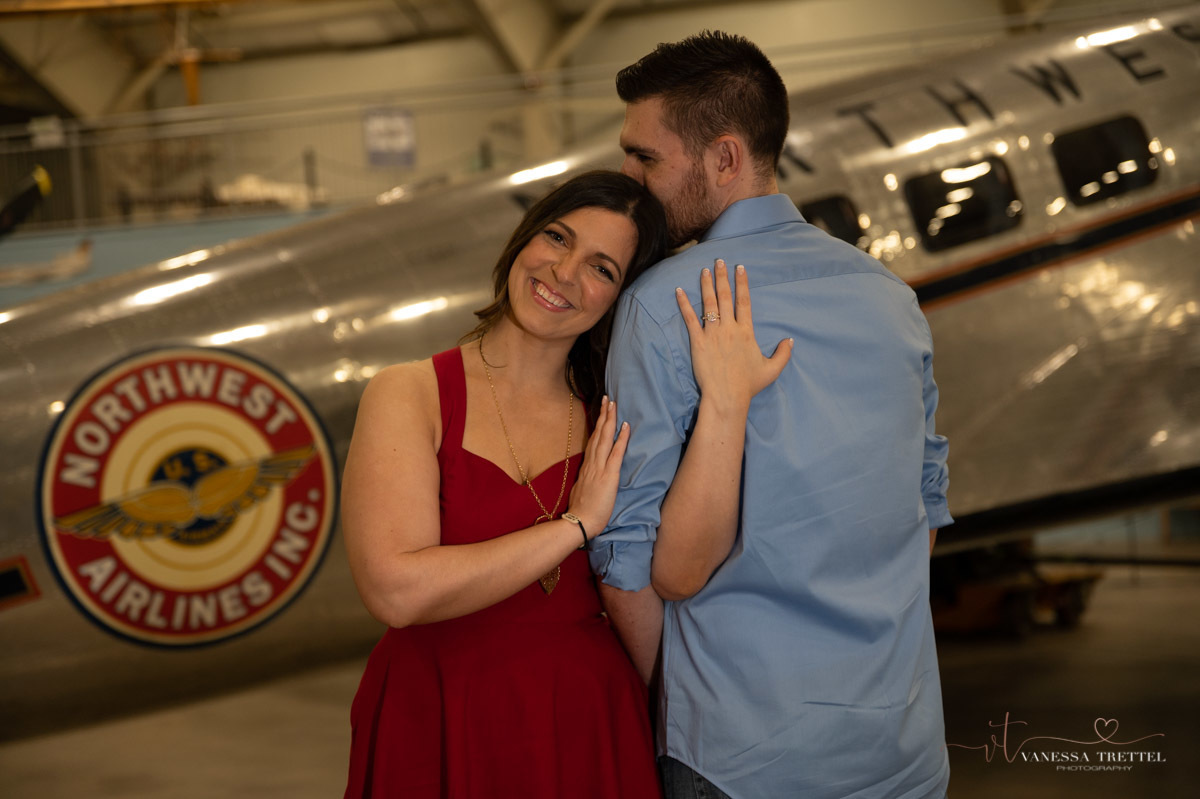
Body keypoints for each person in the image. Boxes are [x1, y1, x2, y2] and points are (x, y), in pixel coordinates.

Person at [338, 169, 786, 798]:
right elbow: (396, 592)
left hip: (587, 715)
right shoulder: (410, 393)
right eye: (557, 237)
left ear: (623, 297)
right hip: (439, 707)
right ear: (524, 239)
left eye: (603, 268)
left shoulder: (618, 413)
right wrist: (576, 526)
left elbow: (687, 567)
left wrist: (726, 401)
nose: (564, 272)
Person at [590, 32, 954, 799]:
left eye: (645, 158)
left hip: (742, 755)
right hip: (903, 744)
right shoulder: (893, 299)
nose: (627, 179)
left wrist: (675, 711)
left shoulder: (666, 304)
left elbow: (631, 565)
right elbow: (923, 511)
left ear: (724, 158)